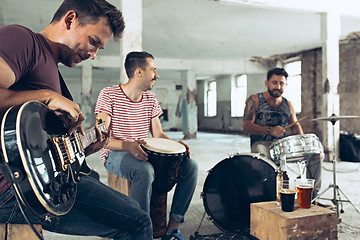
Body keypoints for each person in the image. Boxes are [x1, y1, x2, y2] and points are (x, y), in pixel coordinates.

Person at [0, 1, 153, 239]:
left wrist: (83, 149)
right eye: (93, 42)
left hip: (41, 186)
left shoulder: (53, 72)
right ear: (70, 20)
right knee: (139, 222)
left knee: (134, 209)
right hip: (13, 189)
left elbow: (45, 149)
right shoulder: (23, 40)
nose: (93, 55)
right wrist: (48, 98)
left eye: (99, 49)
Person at [95, 51, 198, 240]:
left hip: (144, 152)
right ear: (139, 72)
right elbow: (100, 136)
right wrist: (127, 145)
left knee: (191, 165)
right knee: (144, 170)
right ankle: (142, 232)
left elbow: (158, 134)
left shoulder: (150, 99)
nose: (157, 75)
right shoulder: (108, 94)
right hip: (114, 154)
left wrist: (177, 146)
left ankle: (172, 229)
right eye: (154, 70)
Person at [243, 67, 322, 198]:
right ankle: (269, 196)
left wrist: (304, 144)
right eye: (274, 82)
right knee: (264, 159)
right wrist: (269, 130)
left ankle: (312, 197)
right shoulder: (255, 100)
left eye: (281, 83)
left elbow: (296, 127)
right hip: (261, 144)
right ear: (266, 83)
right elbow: (246, 126)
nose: (278, 86)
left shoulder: (288, 104)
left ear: (285, 85)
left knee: (315, 155)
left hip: (283, 146)